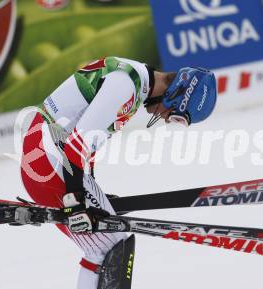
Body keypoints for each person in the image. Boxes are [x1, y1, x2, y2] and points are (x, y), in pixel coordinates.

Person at [18, 56, 217, 289]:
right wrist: (75, 203)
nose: (165, 119)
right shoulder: (126, 85)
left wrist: (92, 193)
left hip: (46, 158)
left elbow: (85, 147)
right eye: (175, 116)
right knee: (111, 248)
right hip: (48, 161)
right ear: (176, 92)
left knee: (105, 246)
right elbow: (77, 145)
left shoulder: (135, 80)